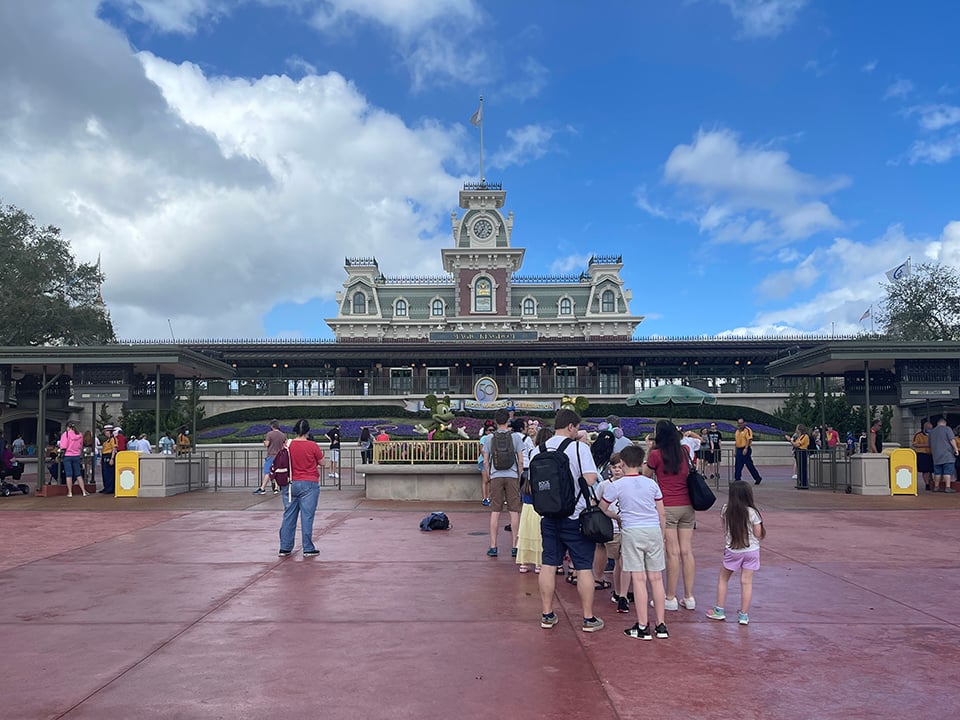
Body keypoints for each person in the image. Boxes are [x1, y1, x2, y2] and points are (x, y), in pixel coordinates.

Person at [534, 407, 604, 633]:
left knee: (548, 564)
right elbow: (591, 478)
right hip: (576, 518)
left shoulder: (539, 450)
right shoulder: (579, 448)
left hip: (548, 516)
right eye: (577, 427)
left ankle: (547, 614)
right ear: (571, 426)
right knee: (583, 567)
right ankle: (588, 618)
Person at [601, 444, 669, 640]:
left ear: (622, 463)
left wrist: (617, 517)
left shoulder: (617, 486)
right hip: (653, 530)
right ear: (641, 463)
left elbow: (603, 507)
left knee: (639, 579)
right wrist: (662, 536)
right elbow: (661, 512)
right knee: (656, 578)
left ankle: (642, 625)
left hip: (631, 531)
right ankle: (661, 625)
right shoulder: (652, 484)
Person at [644, 420, 696, 613]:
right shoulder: (684, 451)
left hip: (667, 506)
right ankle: (689, 597)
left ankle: (670, 597)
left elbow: (645, 475)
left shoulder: (656, 455)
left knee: (672, 553)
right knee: (687, 552)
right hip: (687, 506)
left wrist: (649, 449)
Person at [706, 480, 766, 626]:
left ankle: (719, 610)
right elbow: (758, 533)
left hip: (733, 549)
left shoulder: (725, 510)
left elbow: (725, 528)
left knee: (723, 578)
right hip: (751, 550)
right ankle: (744, 615)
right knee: (746, 582)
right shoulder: (752, 512)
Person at [278, 418, 325, 556]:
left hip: (290, 483)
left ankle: (285, 547)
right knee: (307, 516)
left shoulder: (287, 444)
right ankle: (308, 548)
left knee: (288, 515)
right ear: (308, 431)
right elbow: (322, 462)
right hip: (309, 483)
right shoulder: (312, 445)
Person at [483, 409, 524, 558]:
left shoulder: (489, 438)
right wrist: (519, 476)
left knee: (495, 511)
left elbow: (486, 461)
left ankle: (493, 546)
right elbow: (520, 460)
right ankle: (515, 546)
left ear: (495, 421)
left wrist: (490, 474)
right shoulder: (516, 437)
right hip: (512, 475)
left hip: (496, 476)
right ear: (508, 420)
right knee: (514, 511)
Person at [515, 425, 551, 574]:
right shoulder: (553, 454)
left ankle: (523, 562)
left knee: (526, 530)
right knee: (539, 532)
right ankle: (539, 562)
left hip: (529, 494)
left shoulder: (533, 452)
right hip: (543, 497)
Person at [255, 420, 287, 495]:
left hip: (271, 455)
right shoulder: (282, 435)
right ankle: (276, 488)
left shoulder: (270, 434)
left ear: (272, 426)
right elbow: (285, 445)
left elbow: (267, 444)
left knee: (267, 472)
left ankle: (262, 488)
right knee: (277, 471)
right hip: (279, 456)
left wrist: (264, 442)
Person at [928, 417, 958, 493]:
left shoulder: (932, 432)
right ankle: (948, 487)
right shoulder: (947, 429)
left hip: (936, 455)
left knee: (937, 472)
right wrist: (956, 449)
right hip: (947, 454)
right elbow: (952, 440)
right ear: (945, 423)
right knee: (947, 471)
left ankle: (936, 487)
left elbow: (929, 444)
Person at [59, 421, 88, 497]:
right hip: (77, 455)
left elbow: (63, 446)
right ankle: (83, 491)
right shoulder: (80, 435)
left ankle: (70, 492)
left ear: (67, 427)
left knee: (69, 474)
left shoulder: (66, 434)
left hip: (68, 455)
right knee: (78, 474)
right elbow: (81, 446)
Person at [733, 418, 762, 485]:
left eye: (741, 423)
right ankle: (737, 479)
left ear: (744, 423)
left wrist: (746, 448)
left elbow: (748, 439)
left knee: (749, 464)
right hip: (739, 449)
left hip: (745, 448)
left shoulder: (747, 430)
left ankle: (757, 478)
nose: (740, 425)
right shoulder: (737, 431)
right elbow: (736, 442)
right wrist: (735, 451)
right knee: (738, 464)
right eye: (739, 423)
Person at [478, 420, 495, 506]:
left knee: (492, 480)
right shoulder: (484, 438)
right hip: (484, 461)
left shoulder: (494, 438)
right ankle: (485, 498)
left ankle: (490, 498)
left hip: (492, 461)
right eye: (489, 430)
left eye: (492, 430)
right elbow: (482, 450)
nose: (491, 432)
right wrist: (486, 459)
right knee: (486, 480)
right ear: (486, 431)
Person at [787, 424, 810, 489]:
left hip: (802, 452)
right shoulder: (800, 436)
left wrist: (790, 441)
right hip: (799, 452)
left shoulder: (805, 436)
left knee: (802, 468)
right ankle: (801, 482)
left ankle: (804, 483)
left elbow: (797, 444)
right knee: (799, 468)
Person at [912, 421, 934, 491]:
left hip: (931, 454)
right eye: (928, 428)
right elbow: (915, 444)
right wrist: (926, 445)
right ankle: (927, 484)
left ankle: (932, 483)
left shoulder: (933, 435)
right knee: (925, 471)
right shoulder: (918, 435)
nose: (930, 429)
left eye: (931, 428)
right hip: (922, 454)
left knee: (931, 470)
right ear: (924, 428)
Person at [100, 425, 117, 494]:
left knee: (109, 473)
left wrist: (112, 458)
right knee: (105, 473)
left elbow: (114, 449)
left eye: (106, 431)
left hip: (109, 456)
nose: (105, 433)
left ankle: (110, 488)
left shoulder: (113, 439)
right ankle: (106, 487)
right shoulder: (107, 440)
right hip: (105, 456)